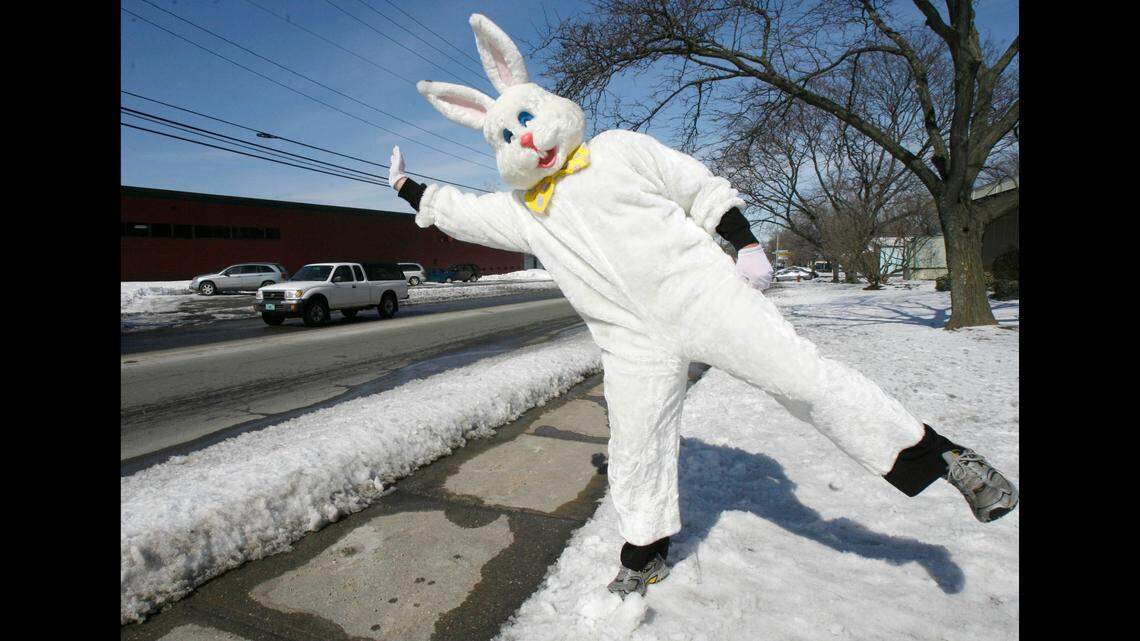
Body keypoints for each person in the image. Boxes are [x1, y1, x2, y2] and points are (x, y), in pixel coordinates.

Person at [387, 13, 1017, 599]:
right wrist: (410, 188)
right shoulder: (527, 212)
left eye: (527, 117)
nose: (527, 138)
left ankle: (942, 456)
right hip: (630, 342)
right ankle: (645, 553)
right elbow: (462, 213)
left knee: (803, 379)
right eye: (507, 135)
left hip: (704, 298)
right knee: (637, 442)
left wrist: (742, 241)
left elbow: (695, 184)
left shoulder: (617, 149)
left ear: (545, 102)